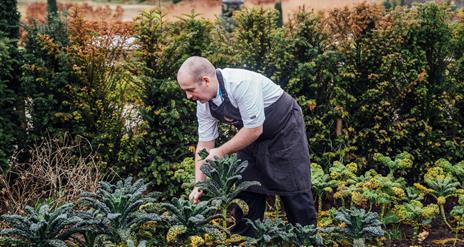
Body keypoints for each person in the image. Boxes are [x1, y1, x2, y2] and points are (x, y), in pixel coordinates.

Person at [176, 56, 317, 236]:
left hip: (284, 131)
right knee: (247, 187)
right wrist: (199, 184)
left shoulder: (241, 83)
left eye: (190, 90)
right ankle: (245, 239)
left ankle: (306, 238)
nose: (188, 96)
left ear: (205, 80)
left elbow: (254, 130)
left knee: (294, 189)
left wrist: (220, 151)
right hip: (249, 137)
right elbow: (204, 144)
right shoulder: (204, 104)